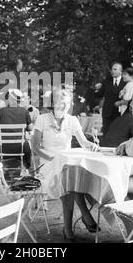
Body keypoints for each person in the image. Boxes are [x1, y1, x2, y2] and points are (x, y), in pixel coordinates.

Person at [32, 89, 99, 242]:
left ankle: (69, 228)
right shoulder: (42, 119)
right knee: (69, 178)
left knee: (71, 175)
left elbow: (83, 142)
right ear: (53, 104)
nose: (65, 106)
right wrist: (53, 159)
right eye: (61, 103)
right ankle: (83, 215)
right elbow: (35, 147)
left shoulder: (72, 120)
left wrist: (92, 145)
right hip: (47, 164)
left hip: (66, 164)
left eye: (67, 103)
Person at [0, 89, 33, 171]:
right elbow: (30, 128)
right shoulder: (25, 111)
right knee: (28, 145)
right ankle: (26, 167)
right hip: (21, 148)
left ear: (10, 99)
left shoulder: (2, 111)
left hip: (3, 148)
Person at [95, 62, 126, 135]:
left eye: (115, 69)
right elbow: (99, 94)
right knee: (106, 133)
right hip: (107, 113)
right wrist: (96, 89)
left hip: (120, 113)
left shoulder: (125, 82)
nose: (112, 71)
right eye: (112, 69)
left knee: (118, 134)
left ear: (120, 71)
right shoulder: (106, 81)